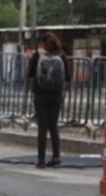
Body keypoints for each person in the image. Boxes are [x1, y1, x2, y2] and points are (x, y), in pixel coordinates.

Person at [27, 31, 68, 168]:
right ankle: (56, 156)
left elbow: (30, 73)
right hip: (56, 94)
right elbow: (68, 76)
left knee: (42, 127)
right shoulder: (61, 55)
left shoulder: (38, 55)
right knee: (53, 126)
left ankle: (41, 160)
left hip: (40, 94)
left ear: (43, 43)